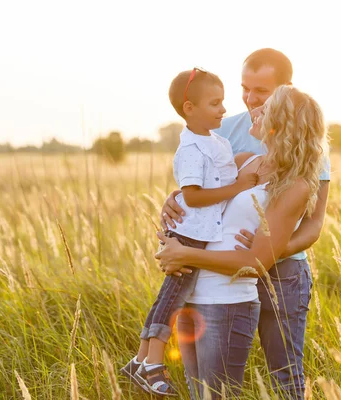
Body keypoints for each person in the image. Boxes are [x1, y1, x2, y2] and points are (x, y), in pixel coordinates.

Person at [160, 48, 330, 399]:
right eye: (245, 89)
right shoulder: (233, 137)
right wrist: (176, 198)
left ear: (284, 98)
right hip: (217, 281)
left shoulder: (303, 165)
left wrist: (266, 249)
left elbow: (311, 225)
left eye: (263, 95)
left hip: (280, 274)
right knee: (206, 386)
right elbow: (208, 188)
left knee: (283, 375)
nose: (251, 101)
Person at [120, 68, 258, 396]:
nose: (223, 109)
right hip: (192, 234)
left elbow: (210, 180)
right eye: (214, 103)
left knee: (174, 295)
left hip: (200, 231)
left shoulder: (215, 141)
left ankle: (140, 360)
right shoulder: (191, 150)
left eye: (223, 101)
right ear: (189, 109)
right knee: (173, 296)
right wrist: (237, 187)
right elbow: (194, 195)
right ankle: (150, 362)